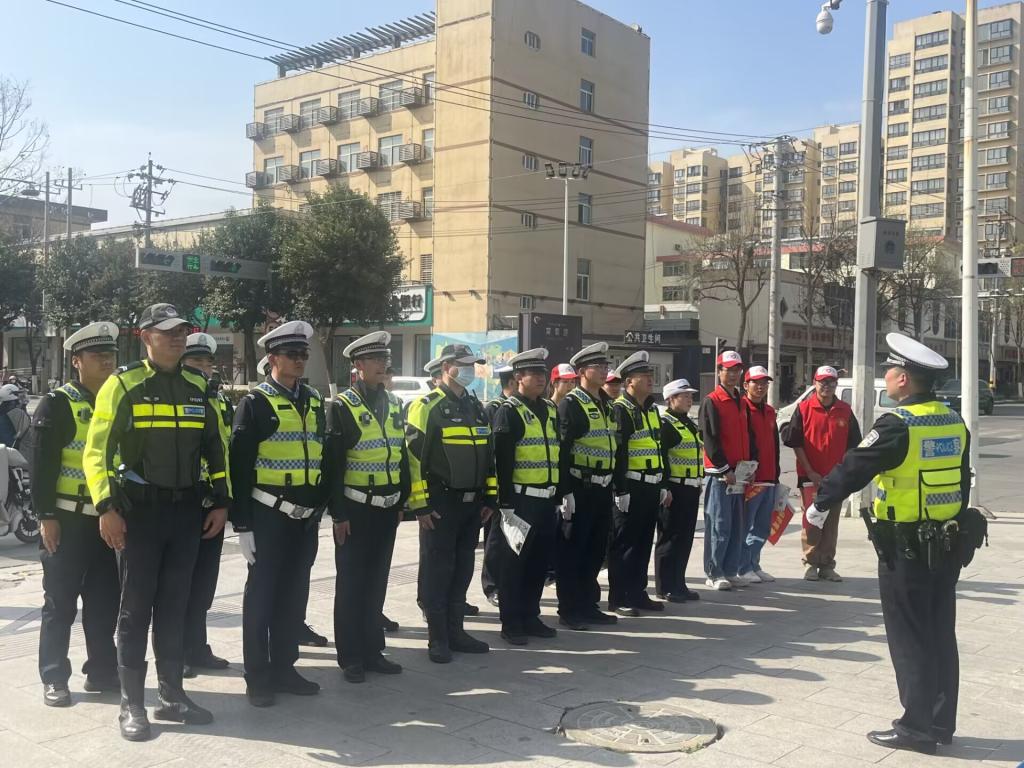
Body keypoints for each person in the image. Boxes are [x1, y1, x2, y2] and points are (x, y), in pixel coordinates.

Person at [806, 333, 971, 755]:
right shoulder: (953, 421)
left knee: (909, 635)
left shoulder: (899, 424)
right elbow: (961, 481)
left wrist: (820, 504)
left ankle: (915, 728)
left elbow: (853, 467)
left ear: (903, 379)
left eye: (891, 371)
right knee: (939, 631)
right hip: (947, 544)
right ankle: (940, 723)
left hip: (906, 548)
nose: (889, 376)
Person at [83, 304, 228, 741]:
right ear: (145, 337)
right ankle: (131, 703)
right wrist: (106, 507)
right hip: (140, 515)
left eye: (181, 331)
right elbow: (97, 451)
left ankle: (172, 695)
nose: (177, 338)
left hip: (186, 513)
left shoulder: (198, 385)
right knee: (135, 609)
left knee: (175, 606)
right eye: (167, 332)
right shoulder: (123, 384)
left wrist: (221, 501)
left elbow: (215, 447)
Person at [230, 321, 326, 707]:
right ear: (272, 358)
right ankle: (257, 676)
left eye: (303, 354)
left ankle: (285, 668)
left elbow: (320, 453)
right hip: (268, 516)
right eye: (292, 354)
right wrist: (242, 524)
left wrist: (320, 506)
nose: (300, 360)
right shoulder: (255, 403)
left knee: (293, 595)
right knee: (262, 598)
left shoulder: (313, 400)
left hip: (304, 518)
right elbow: (238, 466)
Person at [34, 322, 121, 707]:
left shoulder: (117, 401)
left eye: (110, 354)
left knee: (105, 600)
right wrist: (46, 516)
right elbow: (42, 466)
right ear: (76, 361)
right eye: (97, 355)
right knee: (60, 602)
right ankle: (54, 676)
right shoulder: (58, 403)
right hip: (67, 520)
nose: (106, 361)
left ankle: (102, 670)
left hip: (106, 520)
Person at [406, 343, 496, 663]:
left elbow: (489, 456)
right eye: (464, 364)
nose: (470, 369)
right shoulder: (426, 406)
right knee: (438, 570)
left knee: (462, 568)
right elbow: (414, 460)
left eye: (472, 364)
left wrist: (490, 496)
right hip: (440, 504)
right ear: (446, 367)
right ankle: (438, 637)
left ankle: (457, 632)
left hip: (472, 506)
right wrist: (420, 505)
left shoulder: (476, 406)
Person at [328, 331, 408, 683]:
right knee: (352, 584)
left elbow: (400, 454)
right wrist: (338, 514)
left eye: (384, 359)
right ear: (358, 365)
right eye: (375, 359)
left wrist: (402, 499)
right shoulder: (342, 406)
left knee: (376, 583)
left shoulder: (394, 403)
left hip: (387, 509)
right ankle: (351, 656)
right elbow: (333, 465)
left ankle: (373, 650)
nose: (382, 365)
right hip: (356, 509)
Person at [492, 348, 560, 645]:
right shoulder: (509, 411)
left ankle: (531, 616)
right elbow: (501, 460)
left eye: (543, 373)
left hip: (546, 499)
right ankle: (511, 622)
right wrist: (505, 503)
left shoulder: (549, 409)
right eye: (534, 374)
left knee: (538, 562)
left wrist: (560, 494)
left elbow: (557, 452)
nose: (541, 379)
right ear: (519, 377)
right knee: (513, 565)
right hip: (520, 501)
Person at [177, 333, 233, 679]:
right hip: (182, 503)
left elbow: (225, 450)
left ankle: (197, 647)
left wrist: (225, 501)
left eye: (207, 362)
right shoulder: (176, 397)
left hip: (212, 503)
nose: (202, 368)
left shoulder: (219, 401)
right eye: (194, 361)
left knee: (203, 585)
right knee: (179, 584)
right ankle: (178, 652)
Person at [555, 342, 618, 631]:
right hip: (580, 486)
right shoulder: (571, 404)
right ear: (582, 372)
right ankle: (570, 609)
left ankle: (588, 604)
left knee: (595, 549)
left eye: (606, 366)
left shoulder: (605, 403)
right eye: (598, 367)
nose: (605, 371)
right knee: (574, 550)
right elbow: (562, 449)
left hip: (603, 488)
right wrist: (565, 491)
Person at [782, 365, 861, 582]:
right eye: (822, 382)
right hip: (809, 477)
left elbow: (853, 445)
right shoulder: (804, 409)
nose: (827, 386)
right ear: (814, 383)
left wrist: (844, 473)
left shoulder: (845, 410)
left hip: (836, 478)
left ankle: (827, 565)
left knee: (831, 523)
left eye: (831, 382)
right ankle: (810, 563)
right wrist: (810, 471)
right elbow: (795, 442)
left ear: (836, 384)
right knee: (812, 520)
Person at [608, 351, 667, 616]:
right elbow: (619, 452)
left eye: (650, 374)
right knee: (625, 544)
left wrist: (662, 482)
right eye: (643, 375)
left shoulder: (652, 409)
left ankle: (638, 592)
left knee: (643, 542)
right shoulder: (621, 409)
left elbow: (657, 447)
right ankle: (619, 597)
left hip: (651, 485)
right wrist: (620, 489)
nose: (649, 379)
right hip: (631, 486)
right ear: (629, 381)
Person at [699, 350, 752, 591]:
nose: (733, 374)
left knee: (736, 526)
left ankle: (730, 570)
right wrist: (724, 468)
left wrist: (748, 467)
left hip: (738, 474)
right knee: (719, 525)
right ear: (719, 371)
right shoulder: (712, 400)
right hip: (720, 474)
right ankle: (714, 572)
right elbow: (709, 438)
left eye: (736, 370)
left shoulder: (741, 400)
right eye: (728, 370)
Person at [655, 378, 702, 602]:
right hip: (674, 488)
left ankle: (679, 583)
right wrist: (664, 487)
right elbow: (661, 457)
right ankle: (665, 586)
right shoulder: (666, 424)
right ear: (671, 399)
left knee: (685, 538)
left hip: (691, 487)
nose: (690, 400)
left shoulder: (688, 423)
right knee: (670, 538)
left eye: (691, 396)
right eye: (685, 396)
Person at [736, 366, 780, 584]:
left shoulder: (770, 411)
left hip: (769, 477)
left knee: (763, 526)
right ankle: (742, 567)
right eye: (756, 382)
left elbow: (774, 443)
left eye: (764, 383)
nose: (761, 387)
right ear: (746, 385)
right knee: (745, 525)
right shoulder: (741, 408)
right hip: (751, 478)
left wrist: (776, 474)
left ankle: (754, 563)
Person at [481, 364, 515, 606]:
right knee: (495, 538)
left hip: (516, 483)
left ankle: (509, 582)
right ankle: (492, 585)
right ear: (512, 382)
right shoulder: (494, 408)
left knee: (512, 539)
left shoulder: (520, 407)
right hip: (497, 483)